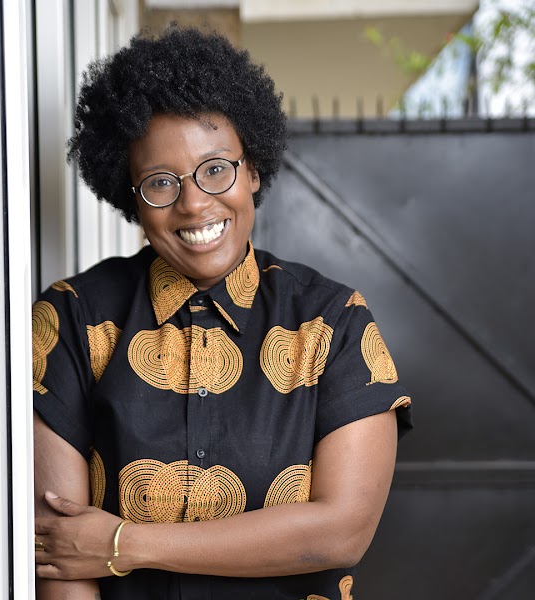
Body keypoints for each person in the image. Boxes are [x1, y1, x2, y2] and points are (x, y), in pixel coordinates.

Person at [33, 26, 413, 600]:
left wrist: (125, 544)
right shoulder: (72, 319)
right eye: (161, 182)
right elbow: (62, 554)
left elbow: (342, 532)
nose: (193, 203)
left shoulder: (332, 324)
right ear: (129, 197)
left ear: (253, 171)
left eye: (216, 169)